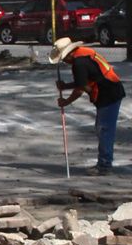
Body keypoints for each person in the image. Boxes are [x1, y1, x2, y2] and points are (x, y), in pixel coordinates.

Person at [51, 36, 125, 175]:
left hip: (109, 94)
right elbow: (85, 81)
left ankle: (104, 166)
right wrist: (66, 86)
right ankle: (104, 162)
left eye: (63, 59)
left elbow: (81, 88)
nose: (64, 62)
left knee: (104, 129)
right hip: (110, 90)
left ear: (68, 54)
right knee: (101, 128)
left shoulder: (79, 64)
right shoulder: (84, 53)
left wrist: (66, 101)